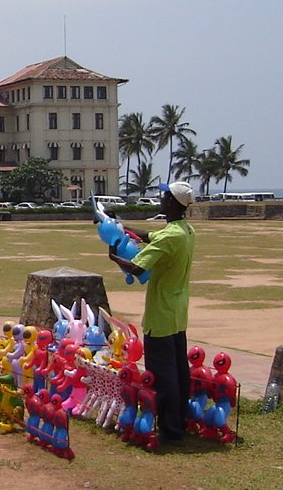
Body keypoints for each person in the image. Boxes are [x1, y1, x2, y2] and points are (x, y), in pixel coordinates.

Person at [108, 181, 195, 443]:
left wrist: (114, 256)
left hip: (161, 313)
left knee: (163, 375)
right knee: (179, 370)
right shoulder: (185, 230)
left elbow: (137, 268)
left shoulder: (171, 236)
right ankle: (180, 421)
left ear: (171, 203)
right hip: (178, 311)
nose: (160, 200)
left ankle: (171, 429)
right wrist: (122, 227)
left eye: (164, 197)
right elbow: (149, 236)